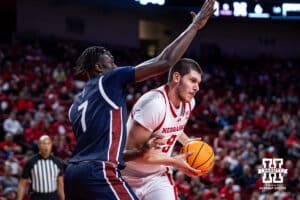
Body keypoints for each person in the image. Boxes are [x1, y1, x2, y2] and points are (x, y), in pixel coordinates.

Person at [64, 0, 215, 199]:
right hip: (99, 171)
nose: (115, 64)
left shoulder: (76, 105)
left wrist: (146, 150)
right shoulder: (110, 80)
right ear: (99, 68)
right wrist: (194, 27)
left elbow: (114, 152)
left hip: (73, 174)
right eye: (109, 59)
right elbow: (165, 61)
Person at [122, 58, 204, 200]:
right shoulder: (154, 104)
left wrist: (187, 142)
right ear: (177, 77)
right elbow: (128, 154)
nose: (197, 88)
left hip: (157, 177)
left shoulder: (189, 103)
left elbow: (172, 127)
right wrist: (173, 161)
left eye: (198, 83)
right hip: (126, 175)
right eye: (193, 81)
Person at [17, 135, 65, 200]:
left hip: (53, 197)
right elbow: (22, 184)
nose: (46, 146)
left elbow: (60, 185)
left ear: (51, 145)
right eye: (43, 144)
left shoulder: (57, 162)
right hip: (36, 197)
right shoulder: (31, 162)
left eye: (48, 143)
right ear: (39, 145)